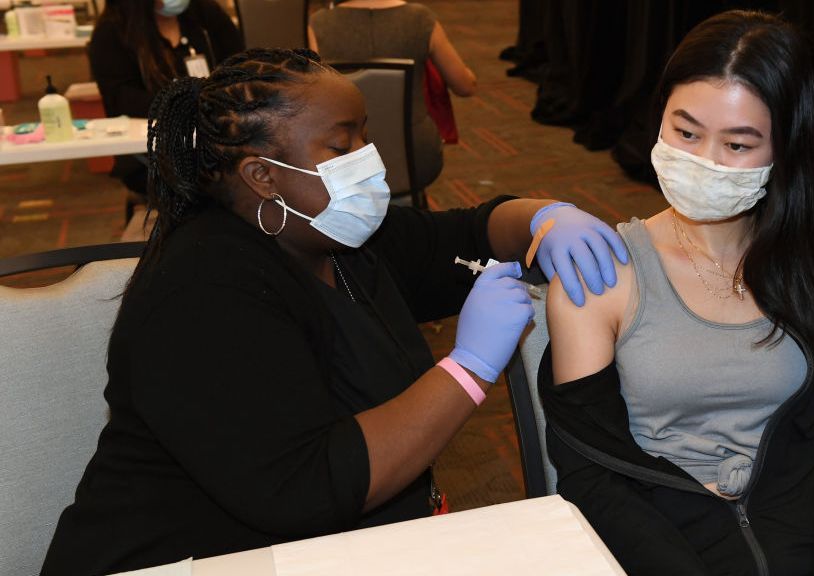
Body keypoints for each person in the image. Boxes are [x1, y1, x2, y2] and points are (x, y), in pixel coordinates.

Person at [40, 47, 628, 576]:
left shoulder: (336, 236)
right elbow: (307, 485)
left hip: (333, 547)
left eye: (365, 138)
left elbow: (472, 232)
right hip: (186, 559)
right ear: (262, 176)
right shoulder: (200, 290)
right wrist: (467, 368)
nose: (369, 160)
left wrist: (544, 218)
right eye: (342, 146)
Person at [540, 10, 814, 576]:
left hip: (797, 541)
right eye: (685, 132)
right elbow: (591, 471)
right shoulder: (603, 274)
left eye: (737, 145)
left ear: (785, 149)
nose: (703, 161)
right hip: (658, 547)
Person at [88, 0, 243, 217]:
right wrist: (194, 103)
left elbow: (240, 69)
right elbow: (123, 99)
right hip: (155, 152)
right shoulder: (112, 33)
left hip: (219, 139)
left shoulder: (205, 17)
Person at [309, 0, 477, 193]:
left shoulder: (318, 23)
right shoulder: (420, 19)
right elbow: (465, 87)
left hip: (344, 156)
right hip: (415, 155)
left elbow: (311, 92)